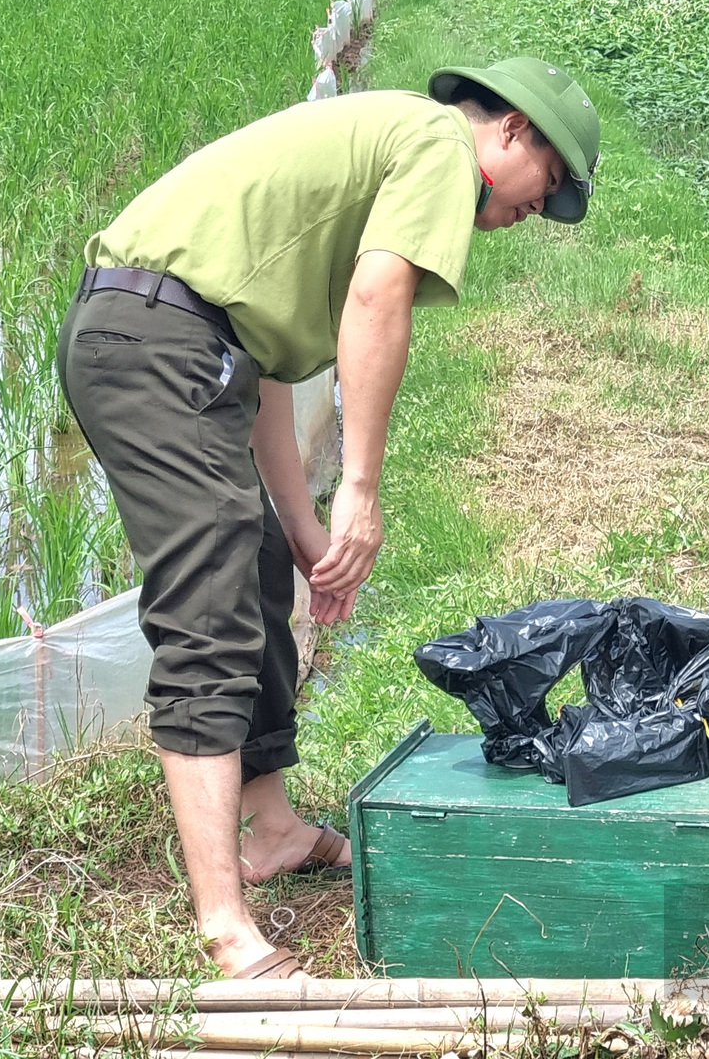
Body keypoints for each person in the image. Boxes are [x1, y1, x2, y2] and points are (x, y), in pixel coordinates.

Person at [59, 60, 600, 979]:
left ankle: (270, 830)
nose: (524, 218)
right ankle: (226, 928)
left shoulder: (388, 148)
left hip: (186, 342)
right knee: (210, 616)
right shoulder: (438, 145)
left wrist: (304, 525)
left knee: (260, 564)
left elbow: (261, 364)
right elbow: (376, 299)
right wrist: (360, 485)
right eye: (541, 190)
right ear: (509, 131)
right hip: (155, 345)